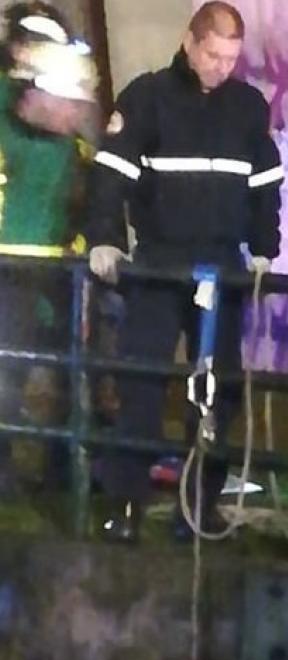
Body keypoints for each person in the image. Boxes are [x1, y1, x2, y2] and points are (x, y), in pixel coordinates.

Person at [85, 1, 282, 543]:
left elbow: (266, 184)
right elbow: (112, 174)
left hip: (221, 267)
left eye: (231, 58)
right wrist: (104, 239)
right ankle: (125, 505)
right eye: (214, 55)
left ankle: (198, 507)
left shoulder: (248, 108)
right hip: (157, 264)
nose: (222, 67)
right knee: (142, 385)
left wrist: (266, 247)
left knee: (218, 392)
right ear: (191, 43)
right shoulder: (146, 99)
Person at [0, 2, 97, 497]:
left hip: (60, 266)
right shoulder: (10, 108)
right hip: (10, 267)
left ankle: (68, 470)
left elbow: (78, 184)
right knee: (6, 377)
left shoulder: (67, 137)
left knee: (73, 374)